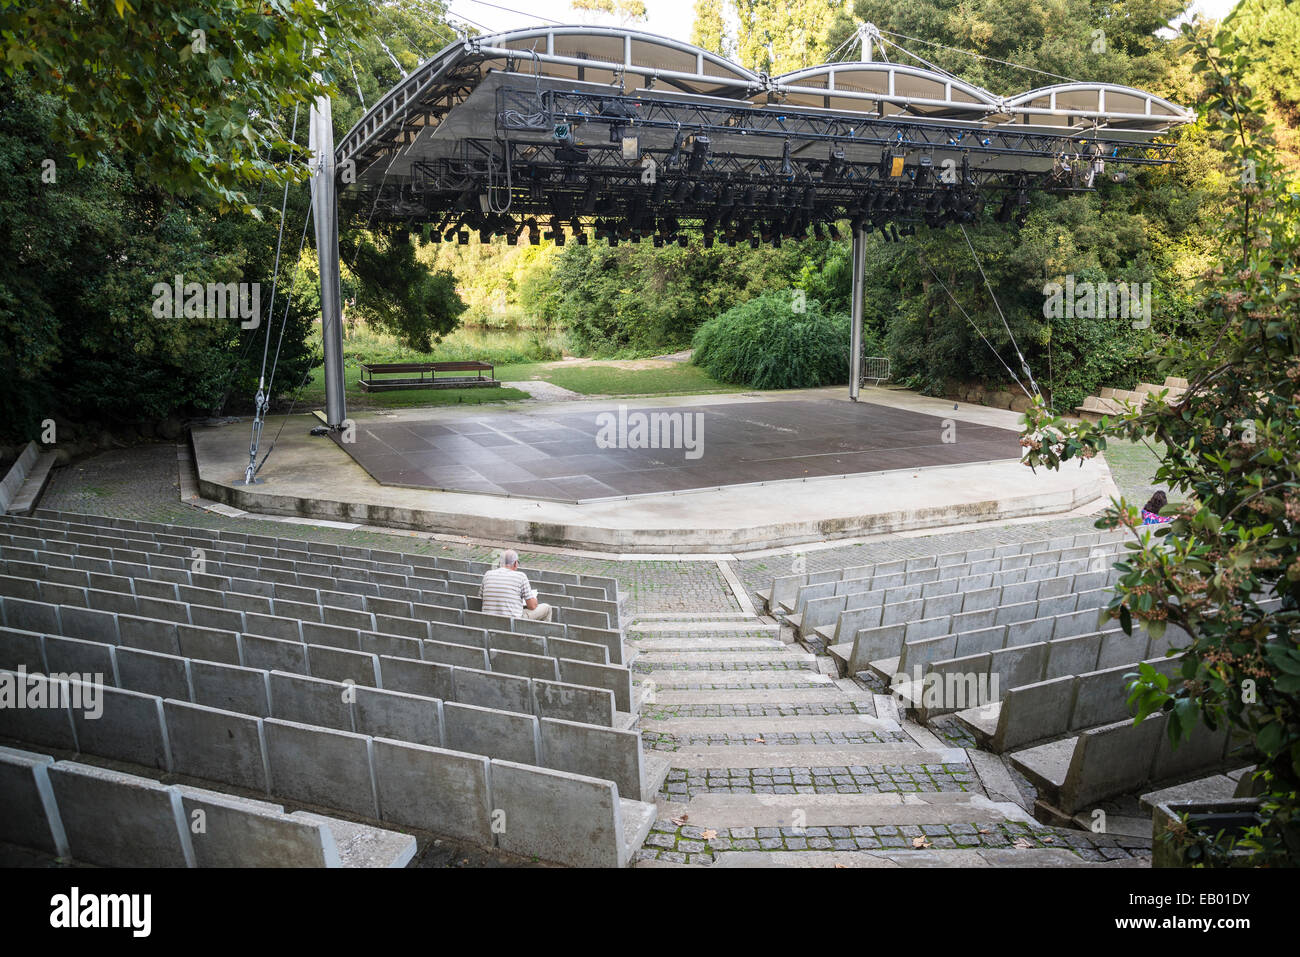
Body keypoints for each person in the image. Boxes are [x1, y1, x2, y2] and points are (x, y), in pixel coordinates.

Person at [480, 549, 553, 621]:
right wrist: (534, 599)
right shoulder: (521, 576)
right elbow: (532, 606)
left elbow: (481, 597)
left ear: (500, 563)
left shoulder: (487, 574)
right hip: (513, 623)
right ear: (515, 563)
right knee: (547, 608)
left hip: (488, 621)